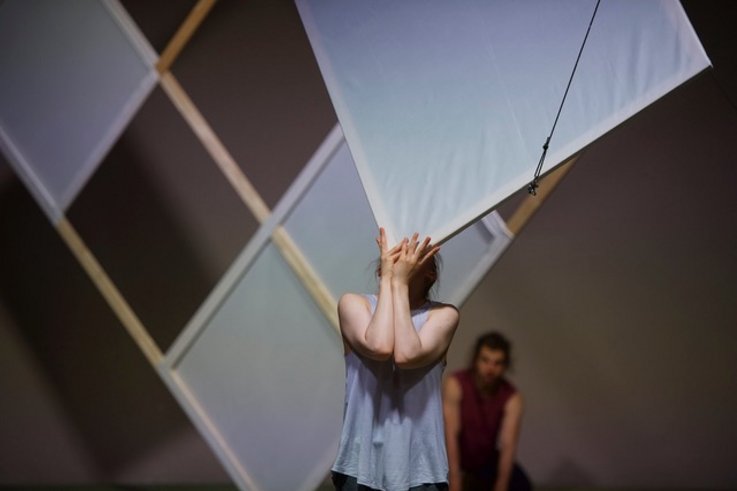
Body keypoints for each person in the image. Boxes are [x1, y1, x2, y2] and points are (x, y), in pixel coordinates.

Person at [331, 228, 461, 491]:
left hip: (422, 468)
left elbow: (405, 354)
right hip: (360, 465)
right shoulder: (354, 304)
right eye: (396, 254)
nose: (403, 259)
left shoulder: (444, 315)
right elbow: (379, 345)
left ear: (431, 273)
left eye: (414, 254)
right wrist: (392, 282)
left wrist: (399, 284)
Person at [443, 332, 532, 491]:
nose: (490, 368)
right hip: (453, 457)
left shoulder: (512, 398)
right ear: (475, 360)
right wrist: (455, 480)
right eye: (485, 360)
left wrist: (501, 486)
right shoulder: (456, 384)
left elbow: (507, 445)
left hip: (484, 459)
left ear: (505, 366)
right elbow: (450, 435)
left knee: (522, 484)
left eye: (497, 363)